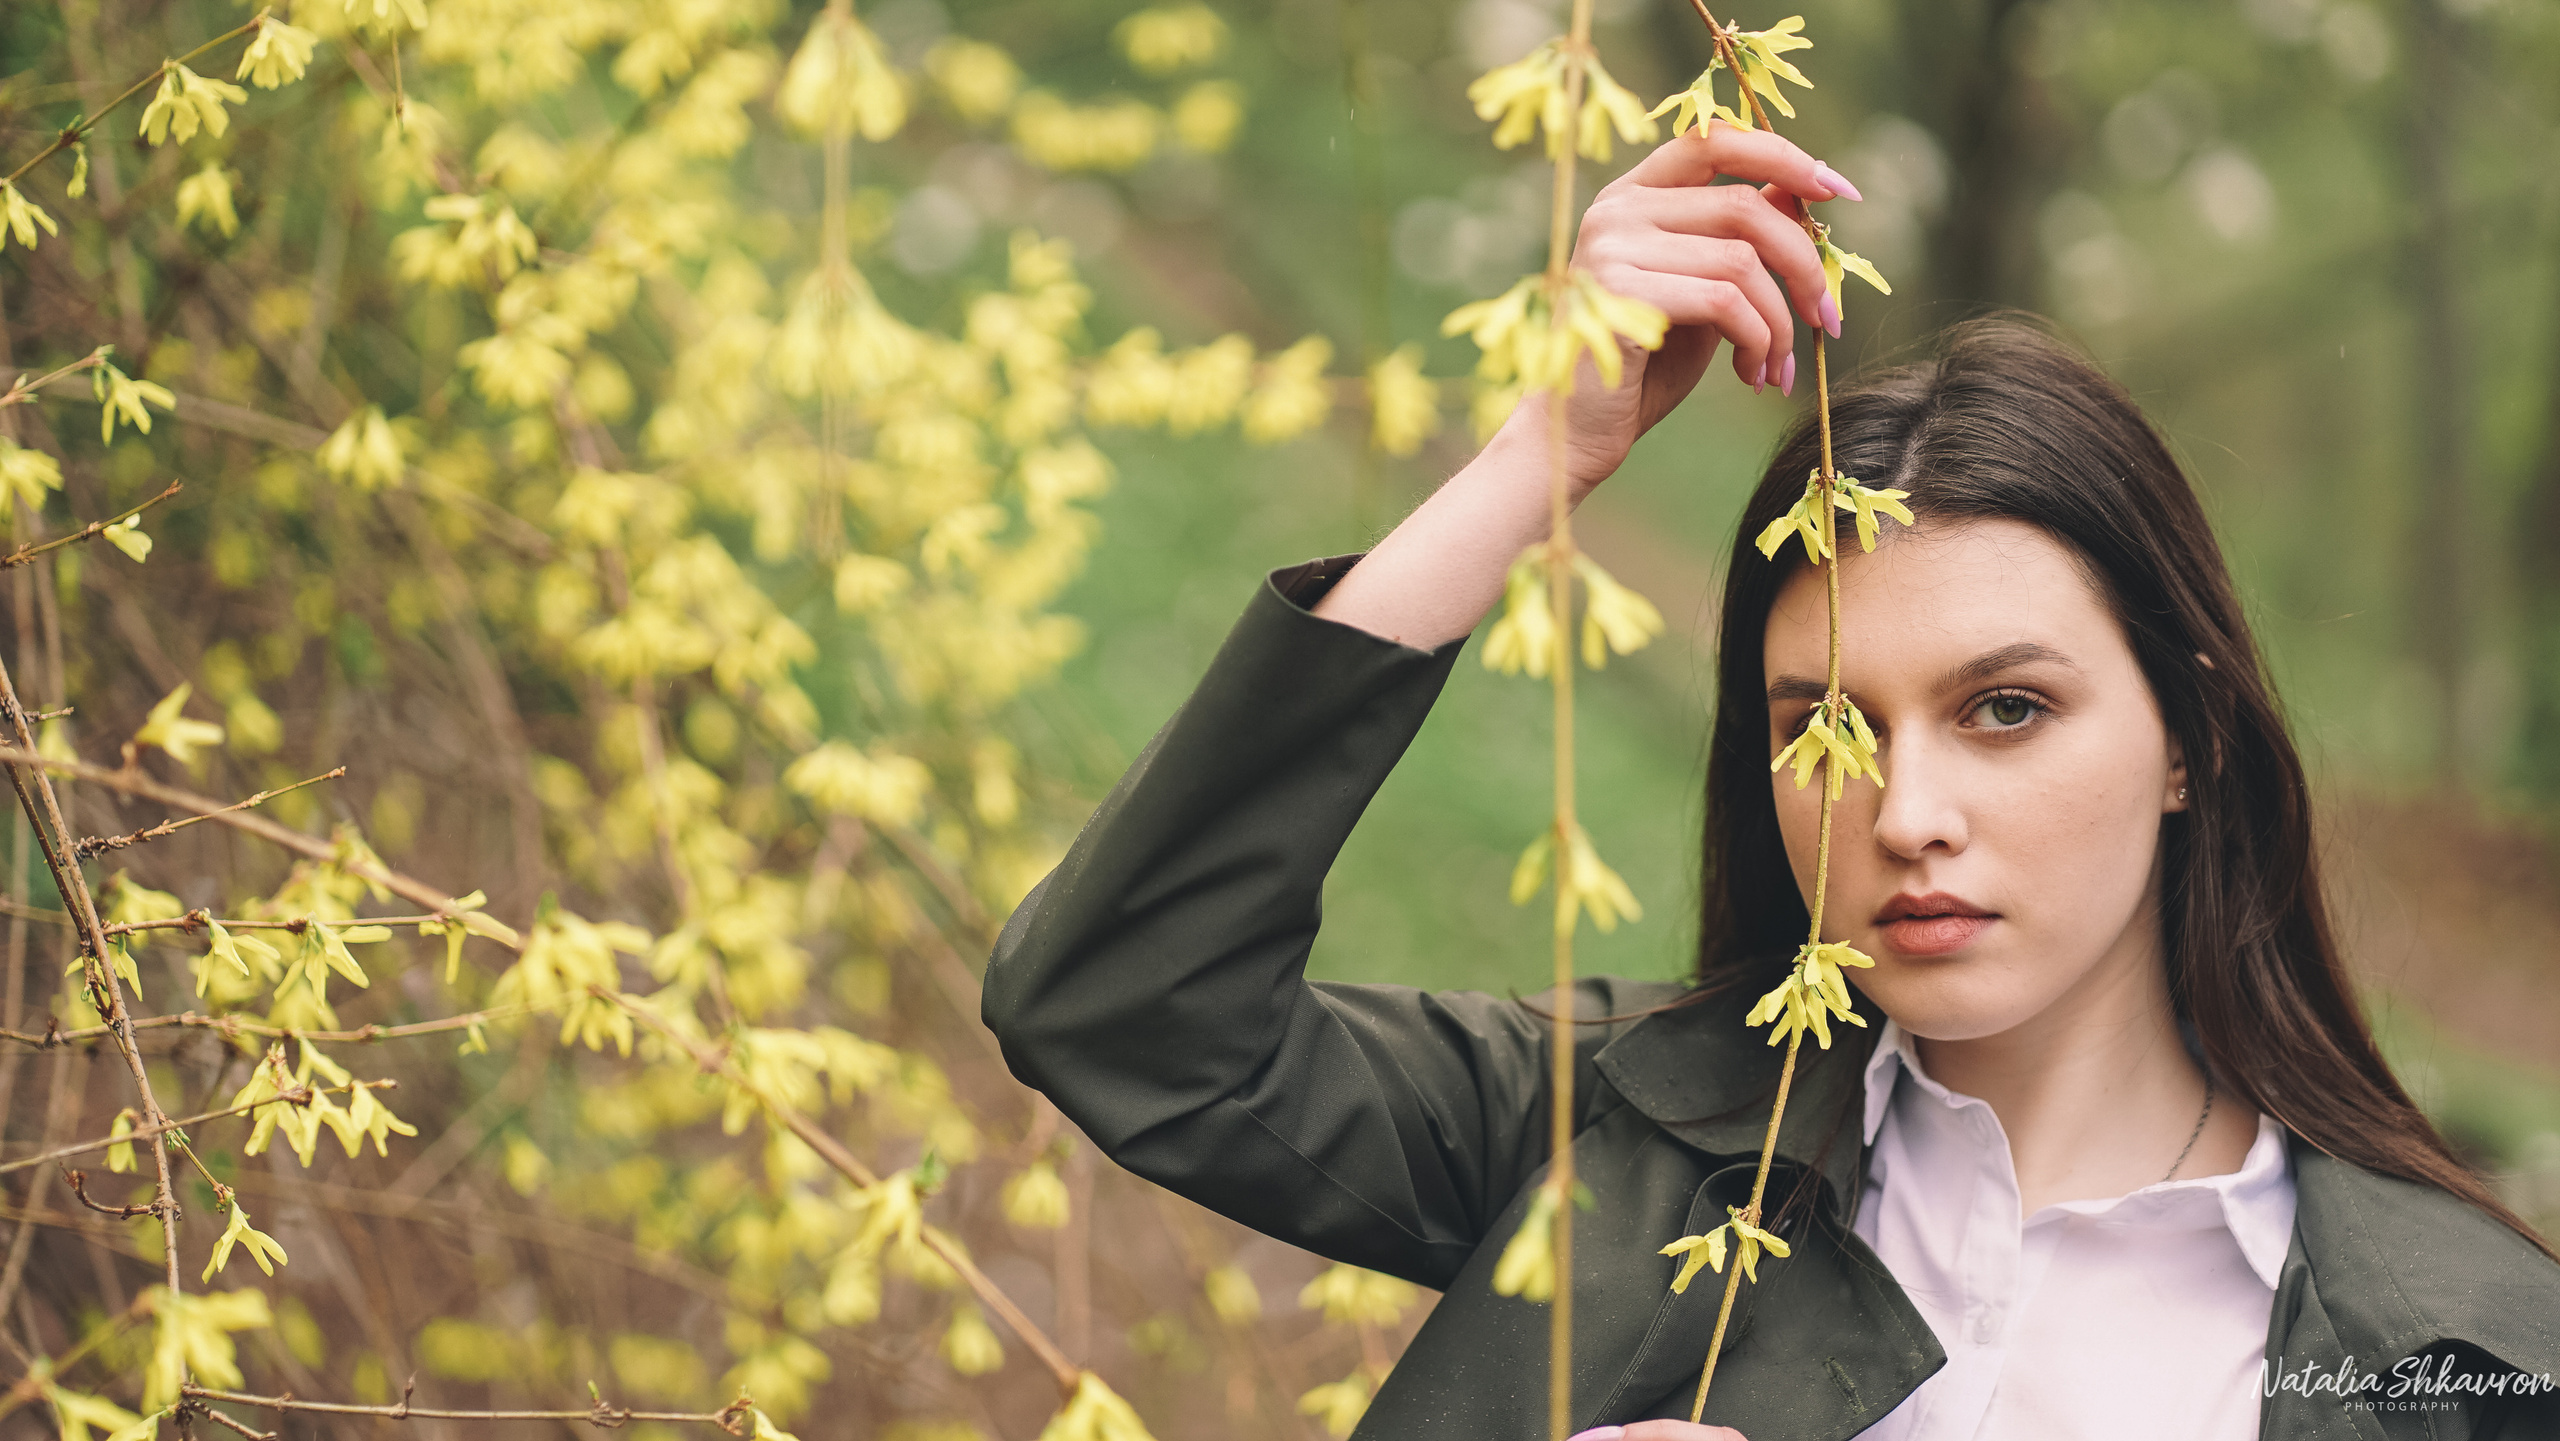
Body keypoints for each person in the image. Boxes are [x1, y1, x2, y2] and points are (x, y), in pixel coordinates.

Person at [980, 123, 2560, 1441]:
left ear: (2189, 741)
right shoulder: (1612, 1131)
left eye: (2006, 707)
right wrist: (1540, 455)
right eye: (1828, 725)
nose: (1906, 810)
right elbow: (1125, 1009)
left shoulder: (2462, 1351)